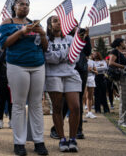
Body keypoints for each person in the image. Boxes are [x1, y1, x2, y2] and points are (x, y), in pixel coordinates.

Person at [0, 0, 48, 156]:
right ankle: (19, 143)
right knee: (19, 104)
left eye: (27, 4)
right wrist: (21, 31)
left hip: (38, 64)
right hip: (17, 64)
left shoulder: (35, 23)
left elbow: (45, 47)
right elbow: (4, 44)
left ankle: (39, 141)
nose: (25, 7)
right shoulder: (7, 23)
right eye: (21, 4)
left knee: (36, 104)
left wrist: (42, 34)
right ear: (14, 7)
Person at [45, 15, 82, 153]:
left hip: (71, 74)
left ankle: (73, 139)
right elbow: (49, 58)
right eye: (55, 21)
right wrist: (66, 54)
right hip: (53, 75)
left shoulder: (71, 39)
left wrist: (59, 55)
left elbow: (75, 58)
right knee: (57, 108)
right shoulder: (46, 40)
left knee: (76, 107)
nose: (59, 23)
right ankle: (62, 139)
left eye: (60, 20)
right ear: (49, 25)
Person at [109, 38, 126, 127]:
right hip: (121, 77)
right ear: (120, 43)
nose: (125, 43)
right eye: (124, 42)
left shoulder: (122, 53)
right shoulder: (115, 51)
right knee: (125, 99)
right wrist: (124, 67)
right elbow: (111, 63)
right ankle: (122, 121)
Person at [0, 48, 12, 129]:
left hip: (11, 81)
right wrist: (6, 49)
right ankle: (0, 120)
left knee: (10, 102)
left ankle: (11, 120)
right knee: (1, 101)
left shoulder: (11, 54)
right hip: (1, 81)